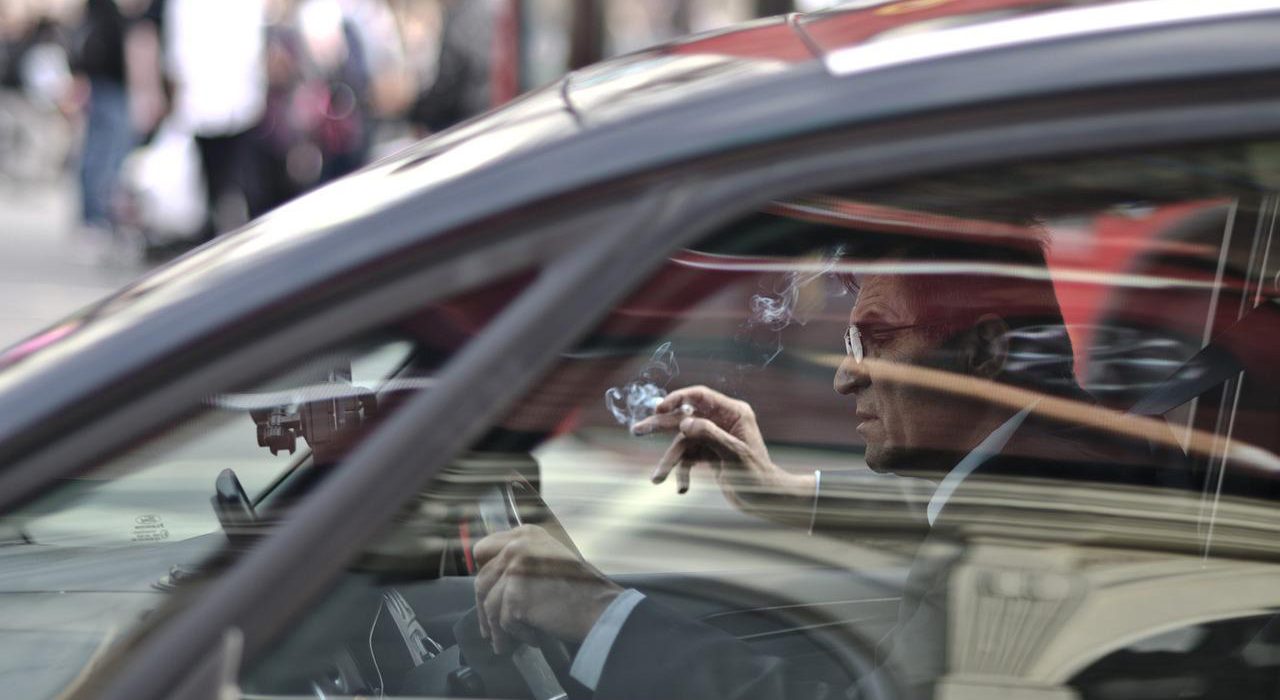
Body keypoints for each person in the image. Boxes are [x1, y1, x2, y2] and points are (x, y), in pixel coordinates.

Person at [471, 235, 1181, 700]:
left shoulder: (1031, 543)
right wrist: (786, 495)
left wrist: (601, 614)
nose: (847, 379)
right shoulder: (1064, 457)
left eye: (874, 338)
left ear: (983, 352)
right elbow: (958, 512)